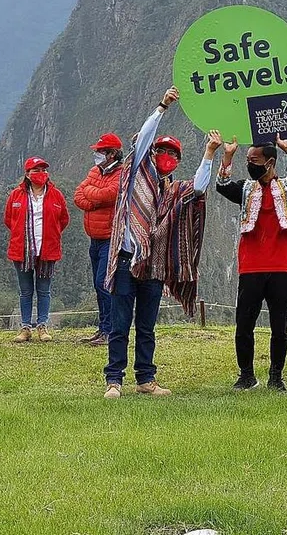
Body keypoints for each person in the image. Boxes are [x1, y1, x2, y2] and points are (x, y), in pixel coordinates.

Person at [102, 87, 220, 399]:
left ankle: (146, 379)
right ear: (153, 154)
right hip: (127, 258)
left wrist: (209, 153)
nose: (167, 157)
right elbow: (142, 139)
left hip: (154, 266)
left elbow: (199, 188)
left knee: (146, 326)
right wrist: (162, 107)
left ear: (178, 161)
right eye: (162, 151)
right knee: (119, 323)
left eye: (173, 154)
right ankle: (114, 379)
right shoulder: (135, 176)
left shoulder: (174, 191)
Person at [216, 134, 287, 392]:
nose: (249, 164)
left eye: (254, 160)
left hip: (282, 266)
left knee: (279, 326)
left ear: (269, 162)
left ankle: (276, 376)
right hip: (251, 265)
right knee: (244, 325)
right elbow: (222, 185)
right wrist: (227, 156)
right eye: (248, 160)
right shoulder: (245, 189)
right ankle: (246, 375)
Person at [4, 156, 70, 343]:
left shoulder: (56, 195)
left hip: (47, 250)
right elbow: (9, 219)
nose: (41, 174)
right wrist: (23, 237)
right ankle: (25, 327)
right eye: (36, 170)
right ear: (27, 174)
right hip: (22, 250)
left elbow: (63, 219)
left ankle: (42, 326)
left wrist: (50, 235)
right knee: (25, 291)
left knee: (44, 290)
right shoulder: (16, 195)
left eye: (43, 170)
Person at [74, 132, 124, 346]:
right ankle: (103, 328)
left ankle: (110, 330)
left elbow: (109, 195)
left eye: (101, 151)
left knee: (104, 283)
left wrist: (92, 194)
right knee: (98, 285)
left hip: (110, 238)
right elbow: (78, 195)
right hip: (94, 238)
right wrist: (93, 201)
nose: (97, 155)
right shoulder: (95, 171)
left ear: (112, 154)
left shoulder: (121, 174)